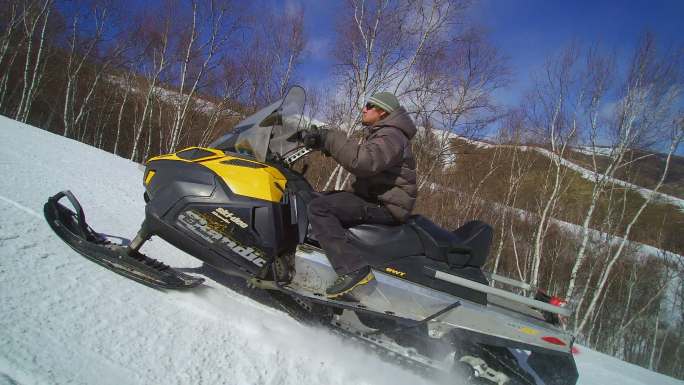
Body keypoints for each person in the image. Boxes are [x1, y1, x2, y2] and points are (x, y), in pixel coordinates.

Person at [301, 92, 417, 299]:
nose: (363, 109)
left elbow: (364, 161)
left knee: (320, 208)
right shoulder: (384, 133)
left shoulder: (392, 135)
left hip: (385, 205)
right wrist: (318, 141)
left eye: (370, 106)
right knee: (314, 198)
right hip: (373, 198)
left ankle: (353, 270)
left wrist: (329, 138)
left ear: (383, 112)